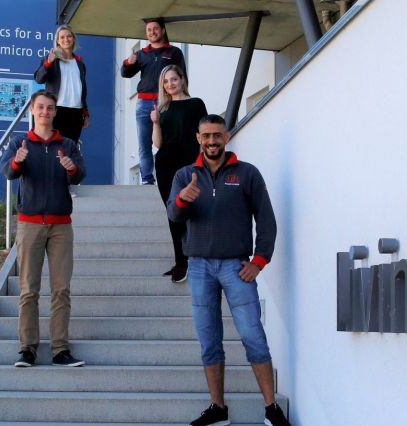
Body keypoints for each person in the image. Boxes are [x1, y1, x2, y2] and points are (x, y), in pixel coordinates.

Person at [167, 115, 291, 426]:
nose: (212, 141)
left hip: (236, 267)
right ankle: (218, 409)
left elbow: (267, 221)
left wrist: (259, 261)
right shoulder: (185, 175)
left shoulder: (247, 174)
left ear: (227, 136)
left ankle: (271, 408)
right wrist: (183, 200)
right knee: (209, 340)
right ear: (198, 137)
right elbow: (173, 214)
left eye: (217, 136)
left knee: (253, 336)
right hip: (198, 268)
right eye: (206, 135)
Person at [0, 90, 86, 368]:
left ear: (55, 112)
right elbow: (8, 172)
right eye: (40, 107)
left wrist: (71, 168)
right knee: (28, 290)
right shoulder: (20, 142)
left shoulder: (68, 144)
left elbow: (80, 174)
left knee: (61, 289)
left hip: (61, 225)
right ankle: (28, 349)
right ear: (32, 111)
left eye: (50, 108)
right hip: (29, 224)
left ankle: (60, 349)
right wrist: (18, 161)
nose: (45, 112)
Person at [151, 64, 207, 283]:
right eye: (166, 81)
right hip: (165, 162)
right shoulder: (163, 109)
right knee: (172, 211)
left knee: (192, 210)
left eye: (174, 79)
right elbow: (157, 143)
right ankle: (180, 262)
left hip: (188, 163)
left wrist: (201, 163)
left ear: (182, 80)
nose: (170, 84)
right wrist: (155, 122)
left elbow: (202, 135)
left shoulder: (196, 104)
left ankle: (195, 257)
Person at [121, 18, 187, 185]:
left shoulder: (174, 52)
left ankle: (171, 176)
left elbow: (182, 77)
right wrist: (128, 62)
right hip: (143, 104)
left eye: (155, 29)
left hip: (166, 102)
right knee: (144, 145)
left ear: (163, 30)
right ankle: (147, 179)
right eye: (148, 30)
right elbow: (125, 73)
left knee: (168, 142)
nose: (152, 32)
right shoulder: (142, 54)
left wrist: (180, 98)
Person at [34, 24, 89, 144]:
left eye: (69, 36)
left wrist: (85, 112)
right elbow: (38, 78)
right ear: (58, 41)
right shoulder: (51, 59)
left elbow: (82, 89)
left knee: (69, 149)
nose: (66, 39)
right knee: (53, 147)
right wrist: (48, 62)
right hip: (57, 110)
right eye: (62, 37)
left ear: (73, 39)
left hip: (76, 112)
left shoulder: (80, 63)